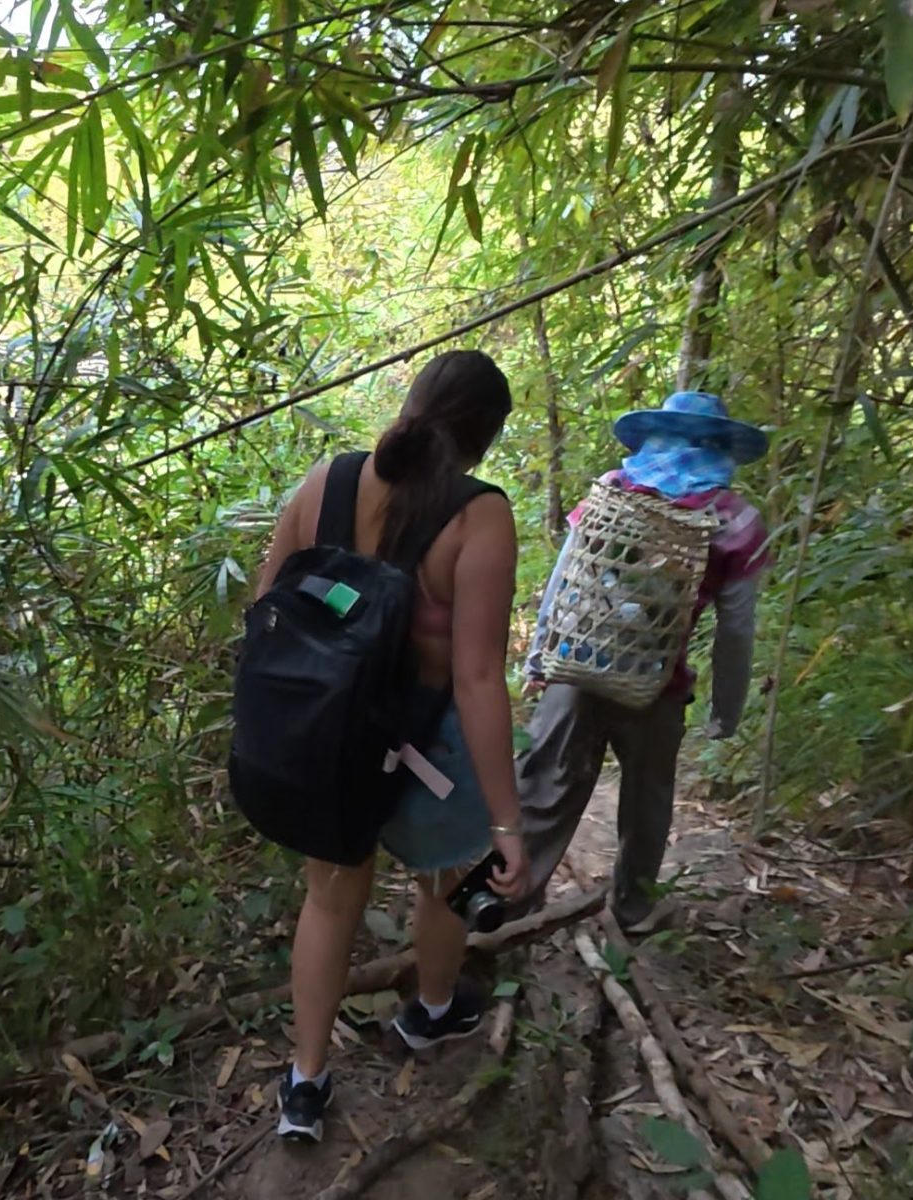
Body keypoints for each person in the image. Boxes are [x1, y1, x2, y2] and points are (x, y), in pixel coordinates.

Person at [254, 350, 530, 1142]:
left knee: (331, 895)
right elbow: (477, 679)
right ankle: (432, 1012)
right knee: (446, 880)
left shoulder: (325, 482)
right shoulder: (479, 516)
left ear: (413, 404)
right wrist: (508, 826)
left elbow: (266, 607)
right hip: (425, 745)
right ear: (486, 437)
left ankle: (305, 1084)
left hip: (327, 738)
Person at [516, 390, 770, 931]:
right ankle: (632, 909)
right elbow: (737, 628)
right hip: (657, 682)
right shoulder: (736, 518)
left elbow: (567, 581)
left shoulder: (613, 490)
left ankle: (508, 903)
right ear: (721, 447)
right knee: (647, 798)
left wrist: (541, 658)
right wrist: (726, 709)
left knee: (543, 786)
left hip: (576, 664)